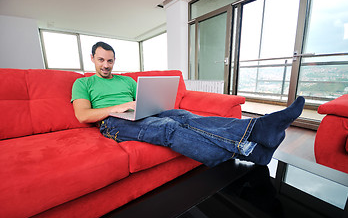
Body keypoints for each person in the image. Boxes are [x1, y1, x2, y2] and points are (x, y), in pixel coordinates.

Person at [71, 42, 305, 167]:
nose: (106, 65)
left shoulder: (126, 80)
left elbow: (142, 99)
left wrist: (141, 105)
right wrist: (116, 108)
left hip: (137, 113)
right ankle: (250, 147)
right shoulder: (83, 83)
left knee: (186, 117)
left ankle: (255, 130)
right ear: (92, 58)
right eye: (101, 60)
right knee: (167, 129)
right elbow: (83, 115)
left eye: (110, 60)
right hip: (112, 123)